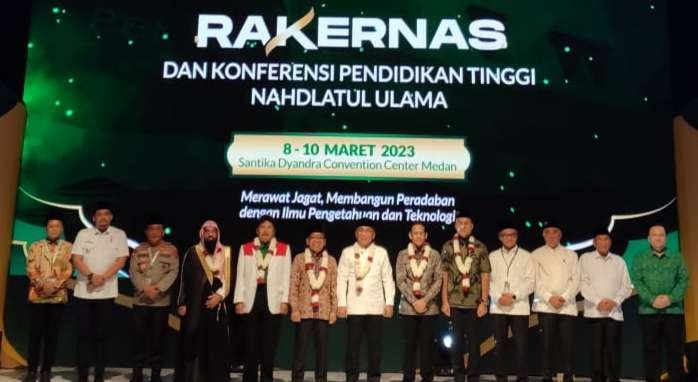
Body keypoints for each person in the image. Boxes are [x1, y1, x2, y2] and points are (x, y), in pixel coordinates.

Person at [71, 202, 129, 382]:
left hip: (106, 293)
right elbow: (76, 258)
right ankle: (82, 375)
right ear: (94, 218)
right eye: (99, 214)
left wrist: (102, 278)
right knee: (83, 336)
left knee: (102, 336)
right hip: (84, 292)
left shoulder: (119, 234)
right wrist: (90, 276)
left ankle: (98, 375)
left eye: (106, 214)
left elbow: (121, 260)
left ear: (111, 217)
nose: (103, 217)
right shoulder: (83, 233)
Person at [234, 216, 291, 382]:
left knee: (269, 346)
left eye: (269, 227)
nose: (266, 230)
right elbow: (240, 276)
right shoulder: (246, 248)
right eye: (262, 227)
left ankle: (267, 378)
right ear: (257, 231)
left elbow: (286, 276)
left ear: (274, 231)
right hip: (250, 300)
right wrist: (238, 300)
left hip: (273, 300)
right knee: (250, 345)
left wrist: (285, 301)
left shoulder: (283, 248)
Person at [337, 220, 395, 382]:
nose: (364, 234)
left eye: (367, 231)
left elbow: (387, 279)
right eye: (360, 231)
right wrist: (341, 303)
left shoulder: (381, 252)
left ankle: (374, 377)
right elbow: (341, 279)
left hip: (375, 307)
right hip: (353, 307)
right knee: (352, 348)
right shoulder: (347, 252)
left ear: (373, 234)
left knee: (374, 348)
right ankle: (351, 377)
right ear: (356, 234)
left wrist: (389, 302)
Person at [632, 224, 689, 382]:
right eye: (654, 235)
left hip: (673, 312)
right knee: (651, 352)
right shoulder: (640, 257)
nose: (658, 237)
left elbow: (684, 280)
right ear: (649, 239)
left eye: (661, 235)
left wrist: (670, 299)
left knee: (675, 352)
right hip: (648, 312)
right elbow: (637, 281)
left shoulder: (676, 256)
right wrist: (652, 300)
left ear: (666, 238)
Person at [176, 220, 232, 382]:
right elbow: (183, 280)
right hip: (195, 307)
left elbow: (229, 279)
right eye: (206, 230)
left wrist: (219, 296)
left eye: (213, 231)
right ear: (201, 233)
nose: (210, 234)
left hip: (217, 307)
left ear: (217, 233)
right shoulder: (193, 252)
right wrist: (181, 303)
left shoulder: (226, 252)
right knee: (196, 344)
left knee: (216, 346)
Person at [440, 210, 490, 382]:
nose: (463, 226)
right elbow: (444, 275)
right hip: (454, 302)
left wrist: (484, 301)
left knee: (475, 342)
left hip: (475, 303)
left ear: (472, 226)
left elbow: (485, 275)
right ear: (455, 225)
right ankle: (459, 375)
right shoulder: (447, 246)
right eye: (459, 223)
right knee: (456, 342)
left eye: (466, 223)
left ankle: (474, 375)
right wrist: (444, 301)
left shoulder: (480, 247)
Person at [23, 211, 72, 382]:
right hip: (37, 295)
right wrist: (41, 285)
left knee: (52, 336)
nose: (53, 229)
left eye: (57, 226)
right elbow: (30, 268)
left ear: (62, 228)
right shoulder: (35, 246)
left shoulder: (68, 247)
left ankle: (46, 370)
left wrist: (55, 286)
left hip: (57, 297)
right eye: (51, 226)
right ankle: (31, 370)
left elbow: (68, 270)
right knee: (35, 335)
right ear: (46, 228)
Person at [129, 216, 179, 382]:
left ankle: (155, 376)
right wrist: (145, 288)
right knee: (138, 340)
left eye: (158, 229)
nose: (154, 232)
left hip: (160, 302)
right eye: (151, 229)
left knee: (157, 341)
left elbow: (173, 272)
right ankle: (137, 375)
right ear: (146, 232)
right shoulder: (138, 249)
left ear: (162, 231)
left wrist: (157, 289)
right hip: (140, 301)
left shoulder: (171, 249)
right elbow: (133, 272)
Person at [579, 227, 632, 382]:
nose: (603, 242)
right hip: (594, 313)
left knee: (614, 352)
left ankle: (615, 379)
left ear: (610, 242)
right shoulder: (585, 259)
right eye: (600, 239)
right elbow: (583, 284)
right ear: (594, 242)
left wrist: (614, 301)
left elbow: (626, 286)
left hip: (613, 314)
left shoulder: (618, 261)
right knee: (596, 353)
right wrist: (598, 301)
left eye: (606, 239)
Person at [531, 221, 579, 382]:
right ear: (543, 235)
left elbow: (576, 280)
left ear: (560, 235)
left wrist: (564, 297)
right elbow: (534, 280)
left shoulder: (571, 255)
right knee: (546, 345)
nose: (551, 235)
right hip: (545, 306)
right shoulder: (535, 254)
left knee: (568, 345)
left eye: (555, 232)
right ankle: (547, 376)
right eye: (548, 232)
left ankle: (568, 376)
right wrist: (549, 297)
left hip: (567, 306)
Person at [289, 224, 338, 382]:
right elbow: (293, 285)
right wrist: (294, 309)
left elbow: (334, 287)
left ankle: (321, 379)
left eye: (320, 238)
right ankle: (297, 378)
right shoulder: (299, 258)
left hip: (324, 311)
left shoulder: (330, 260)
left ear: (324, 242)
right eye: (313, 238)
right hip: (303, 311)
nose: (316, 241)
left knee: (322, 351)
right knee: (300, 350)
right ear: (307, 241)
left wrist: (334, 310)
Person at [488, 221, 535, 382]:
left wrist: (514, 296)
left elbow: (530, 281)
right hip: (498, 306)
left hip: (519, 307)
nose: (509, 238)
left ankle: (522, 378)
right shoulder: (492, 256)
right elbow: (488, 281)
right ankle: (501, 377)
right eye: (506, 235)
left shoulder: (527, 256)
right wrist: (498, 297)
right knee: (499, 346)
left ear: (516, 237)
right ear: (500, 237)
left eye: (512, 234)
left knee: (521, 347)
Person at [395, 222, 442, 382]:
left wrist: (425, 300)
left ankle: (427, 377)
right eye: (415, 233)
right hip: (408, 308)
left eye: (421, 233)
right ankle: (408, 378)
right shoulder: (402, 254)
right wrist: (415, 301)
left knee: (427, 345)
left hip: (430, 308)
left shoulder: (434, 255)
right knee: (409, 346)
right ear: (410, 235)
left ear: (426, 235)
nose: (418, 236)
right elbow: (400, 280)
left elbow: (438, 280)